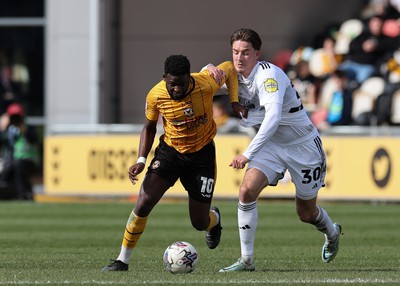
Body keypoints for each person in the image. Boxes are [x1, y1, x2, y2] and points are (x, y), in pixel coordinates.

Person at [207, 28, 342, 272]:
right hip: (272, 145)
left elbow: (273, 118)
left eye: (246, 53)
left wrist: (247, 154)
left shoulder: (269, 76)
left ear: (257, 54)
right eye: (235, 52)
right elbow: (200, 82)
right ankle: (247, 260)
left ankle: (332, 233)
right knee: (246, 191)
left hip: (303, 147)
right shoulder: (233, 74)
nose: (239, 58)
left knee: (306, 213)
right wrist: (207, 70)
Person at [102, 55, 247, 272]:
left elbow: (230, 69)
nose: (176, 89)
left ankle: (214, 220)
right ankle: (122, 260)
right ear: (164, 79)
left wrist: (234, 100)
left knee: (199, 222)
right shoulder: (156, 95)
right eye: (172, 84)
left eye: (181, 83)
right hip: (170, 152)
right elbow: (149, 126)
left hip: (202, 155)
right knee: (144, 201)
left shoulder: (205, 83)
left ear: (190, 77)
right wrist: (141, 159)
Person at [0, 103, 40, 200]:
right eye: (13, 117)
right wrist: (2, 129)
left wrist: (24, 130)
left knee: (16, 165)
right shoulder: (6, 129)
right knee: (8, 167)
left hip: (26, 161)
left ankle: (22, 193)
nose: (15, 120)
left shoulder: (29, 128)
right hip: (7, 161)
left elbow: (34, 140)